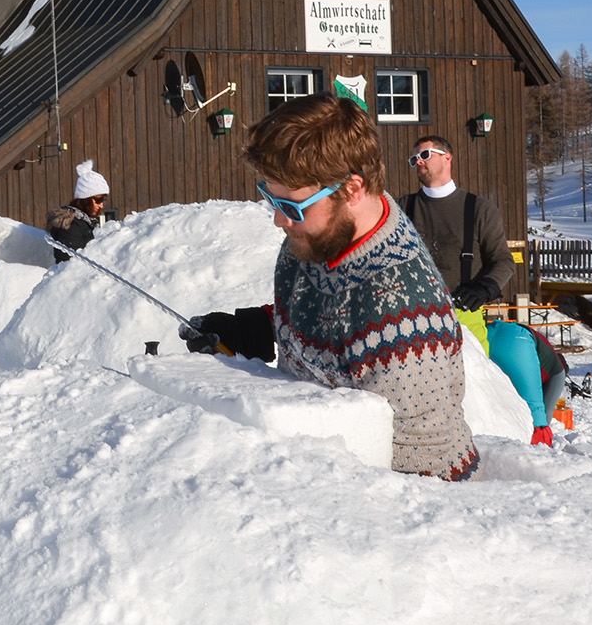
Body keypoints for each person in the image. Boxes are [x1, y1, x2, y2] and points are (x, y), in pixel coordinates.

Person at [185, 95, 478, 480]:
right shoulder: (319, 234)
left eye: (290, 205)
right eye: (271, 198)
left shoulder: (405, 322)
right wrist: (257, 328)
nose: (278, 220)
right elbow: (334, 312)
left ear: (352, 189)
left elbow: (426, 482)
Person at [398, 135, 515, 354]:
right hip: (413, 318)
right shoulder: (403, 208)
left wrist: (483, 289)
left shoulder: (479, 209)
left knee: (474, 385)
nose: (419, 162)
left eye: (424, 155)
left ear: (447, 158)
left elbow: (503, 261)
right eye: (414, 160)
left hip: (464, 317)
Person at [485, 319, 568, 448]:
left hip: (486, 333)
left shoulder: (545, 354)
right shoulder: (558, 371)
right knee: (537, 421)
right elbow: (542, 412)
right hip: (519, 342)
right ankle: (538, 458)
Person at [47, 159, 109, 261]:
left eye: (104, 200)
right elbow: (69, 263)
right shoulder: (71, 225)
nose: (101, 205)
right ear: (85, 199)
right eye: (98, 200)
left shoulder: (87, 223)